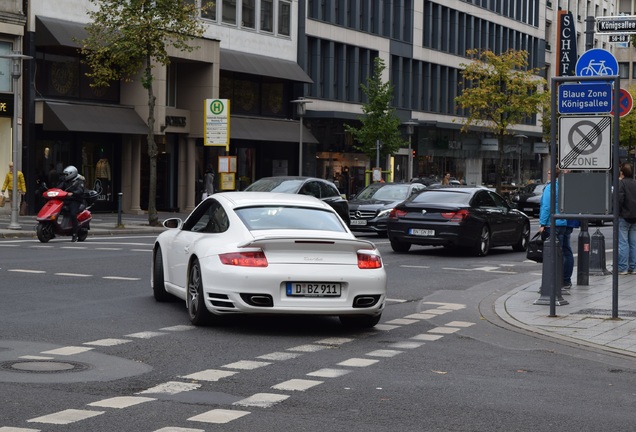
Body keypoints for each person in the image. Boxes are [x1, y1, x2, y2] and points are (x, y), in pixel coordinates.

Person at [538, 166, 576, 292]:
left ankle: (553, 282)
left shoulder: (551, 187)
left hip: (552, 224)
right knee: (564, 252)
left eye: (549, 172)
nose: (547, 174)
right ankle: (564, 280)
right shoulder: (563, 186)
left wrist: (542, 223)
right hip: (563, 222)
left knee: (553, 254)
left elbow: (546, 207)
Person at [57, 165, 85, 242]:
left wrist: (73, 193)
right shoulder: (65, 181)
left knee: (73, 214)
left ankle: (74, 233)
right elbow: (59, 188)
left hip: (75, 200)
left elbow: (80, 190)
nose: (65, 176)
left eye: (67, 174)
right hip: (66, 200)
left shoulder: (79, 181)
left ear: (72, 174)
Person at [618, 163, 636, 275]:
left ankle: (622, 267)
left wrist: (617, 212)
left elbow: (619, 199)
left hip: (624, 216)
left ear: (622, 173)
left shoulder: (622, 184)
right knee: (633, 243)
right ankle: (633, 267)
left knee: (623, 243)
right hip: (635, 217)